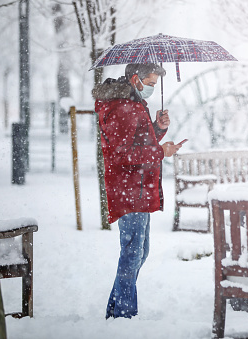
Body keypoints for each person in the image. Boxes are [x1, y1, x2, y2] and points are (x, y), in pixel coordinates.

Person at [92, 63, 182, 319]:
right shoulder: (123, 107)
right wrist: (160, 151)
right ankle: (123, 315)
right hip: (130, 190)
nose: (152, 88)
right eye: (151, 83)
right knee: (132, 253)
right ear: (136, 79)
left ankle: (115, 309)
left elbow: (137, 142)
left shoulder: (132, 103)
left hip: (137, 188)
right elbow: (122, 155)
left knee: (139, 252)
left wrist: (158, 129)